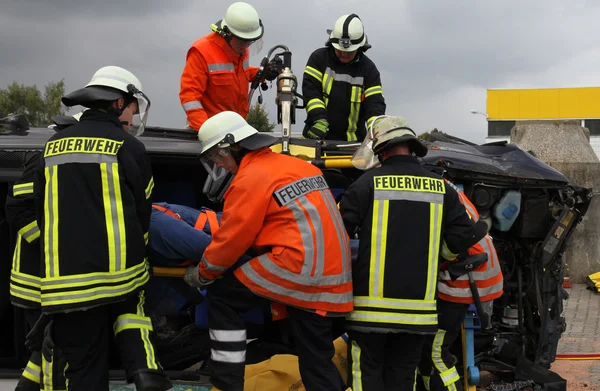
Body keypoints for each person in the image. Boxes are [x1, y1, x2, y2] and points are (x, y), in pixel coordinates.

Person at [182, 110, 353, 391]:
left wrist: (203, 273)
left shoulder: (249, 179)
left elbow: (232, 239)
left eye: (218, 156)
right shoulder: (302, 167)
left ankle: (226, 384)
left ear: (233, 146)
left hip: (298, 268)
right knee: (316, 359)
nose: (220, 165)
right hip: (333, 277)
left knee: (223, 295)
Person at [30, 65, 172, 391]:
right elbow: (142, 212)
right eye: (133, 106)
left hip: (63, 285)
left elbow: (42, 212)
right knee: (131, 309)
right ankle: (144, 368)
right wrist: (142, 252)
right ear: (119, 103)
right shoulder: (130, 148)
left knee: (83, 373)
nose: (135, 115)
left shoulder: (50, 148)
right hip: (118, 276)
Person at [338, 115, 488, 391]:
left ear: (381, 149)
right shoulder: (442, 188)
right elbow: (463, 236)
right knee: (403, 379)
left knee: (366, 377)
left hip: (370, 316)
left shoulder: (366, 184)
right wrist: (440, 257)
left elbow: (335, 236)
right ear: (411, 147)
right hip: (418, 315)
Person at [417, 180, 504, 391]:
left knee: (436, 352)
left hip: (466, 277)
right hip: (474, 273)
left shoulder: (429, 191)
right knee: (430, 351)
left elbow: (450, 247)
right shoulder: (446, 187)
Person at [6, 151, 67, 391]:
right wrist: (53, 246)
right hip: (36, 284)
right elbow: (19, 211)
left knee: (42, 352)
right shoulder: (44, 158)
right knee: (54, 353)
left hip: (56, 282)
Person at [179, 2, 283, 132]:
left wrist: (264, 73)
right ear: (227, 34)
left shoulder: (240, 49)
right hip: (207, 133)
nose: (246, 46)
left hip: (236, 129)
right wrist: (207, 132)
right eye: (242, 41)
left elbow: (239, 73)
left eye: (250, 41)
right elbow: (190, 97)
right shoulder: (201, 52)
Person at [302, 13, 386, 143]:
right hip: (316, 138)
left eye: (349, 51)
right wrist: (319, 119)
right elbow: (311, 92)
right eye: (339, 50)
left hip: (352, 146)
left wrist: (376, 133)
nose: (343, 54)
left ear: (359, 48)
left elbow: (375, 105)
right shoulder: (318, 59)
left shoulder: (369, 70)